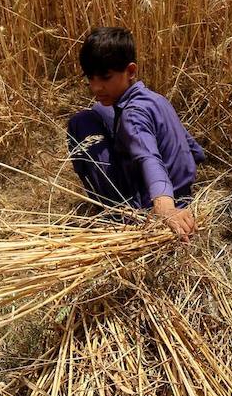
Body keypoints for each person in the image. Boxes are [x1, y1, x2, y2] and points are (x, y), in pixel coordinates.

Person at [66, 26, 205, 239]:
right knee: (98, 115)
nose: (96, 87)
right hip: (183, 192)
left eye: (105, 77)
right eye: (91, 78)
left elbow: (148, 158)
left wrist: (165, 207)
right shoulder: (157, 100)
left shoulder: (132, 115)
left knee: (81, 122)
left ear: (130, 71)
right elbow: (193, 148)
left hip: (146, 205)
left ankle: (115, 215)